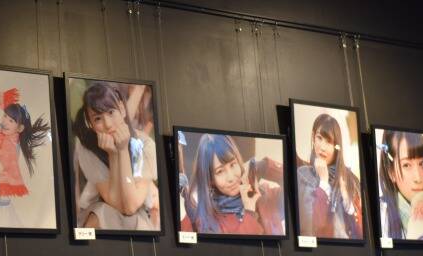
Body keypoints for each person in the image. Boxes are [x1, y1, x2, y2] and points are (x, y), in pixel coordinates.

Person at [72, 82, 159, 230]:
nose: (108, 124)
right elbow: (115, 203)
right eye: (97, 118)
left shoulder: (144, 145)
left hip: (137, 214)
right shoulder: (87, 148)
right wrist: (113, 154)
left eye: (111, 112)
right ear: (90, 124)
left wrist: (122, 150)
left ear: (122, 109)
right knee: (100, 214)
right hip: (100, 209)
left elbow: (130, 206)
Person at [179, 132, 284, 235]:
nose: (231, 177)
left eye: (233, 164)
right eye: (220, 171)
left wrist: (264, 166)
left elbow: (294, 178)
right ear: (211, 180)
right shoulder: (202, 220)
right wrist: (249, 213)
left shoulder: (266, 195)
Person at [0, 87, 50, 198]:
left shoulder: (10, 143)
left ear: (20, 128)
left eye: (11, 120)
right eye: (4, 116)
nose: (4, 122)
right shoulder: (2, 136)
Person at [296, 114, 363, 239]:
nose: (322, 147)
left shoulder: (350, 179)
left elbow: (362, 235)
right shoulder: (303, 175)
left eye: (329, 142)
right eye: (319, 138)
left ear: (337, 147)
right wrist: (323, 183)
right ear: (313, 137)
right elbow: (312, 228)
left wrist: (348, 203)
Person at [377, 130, 423, 239]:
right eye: (406, 165)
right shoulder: (381, 215)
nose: (418, 178)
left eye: (422, 163)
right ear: (391, 172)